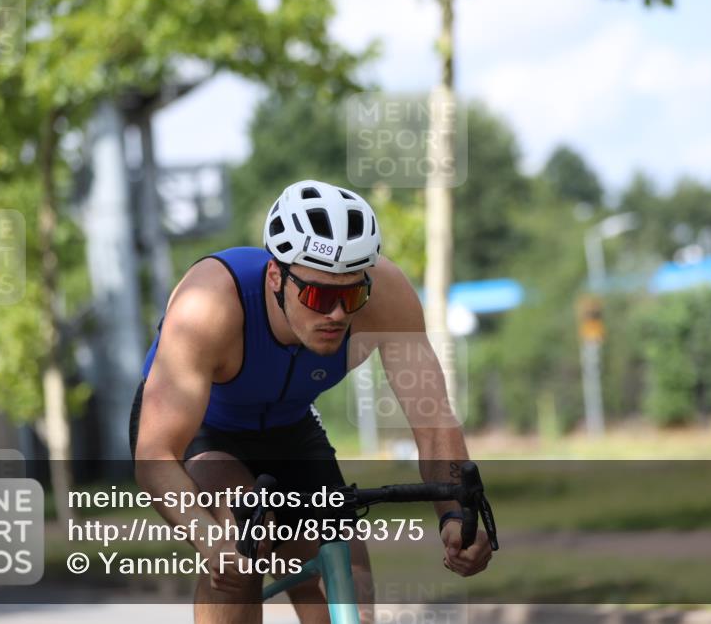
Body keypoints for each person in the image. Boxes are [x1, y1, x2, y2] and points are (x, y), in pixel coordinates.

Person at [131, 180, 492, 624]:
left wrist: (455, 513)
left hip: (289, 426)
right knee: (245, 539)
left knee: (350, 587)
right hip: (201, 429)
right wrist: (210, 541)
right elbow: (155, 455)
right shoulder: (208, 303)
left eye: (351, 295)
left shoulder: (388, 296)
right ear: (275, 277)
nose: (337, 314)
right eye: (320, 296)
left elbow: (434, 424)